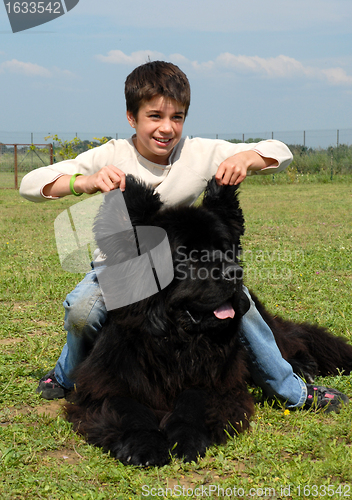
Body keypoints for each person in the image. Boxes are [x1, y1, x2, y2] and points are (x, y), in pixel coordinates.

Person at [20, 60, 349, 412]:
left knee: (244, 309)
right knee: (82, 311)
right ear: (132, 117)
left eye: (176, 117)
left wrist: (248, 159)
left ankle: (290, 390)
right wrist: (82, 181)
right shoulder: (110, 154)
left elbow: (280, 151)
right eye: (155, 117)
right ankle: (65, 375)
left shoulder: (198, 152)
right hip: (123, 270)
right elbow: (29, 185)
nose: (166, 128)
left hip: (187, 270)